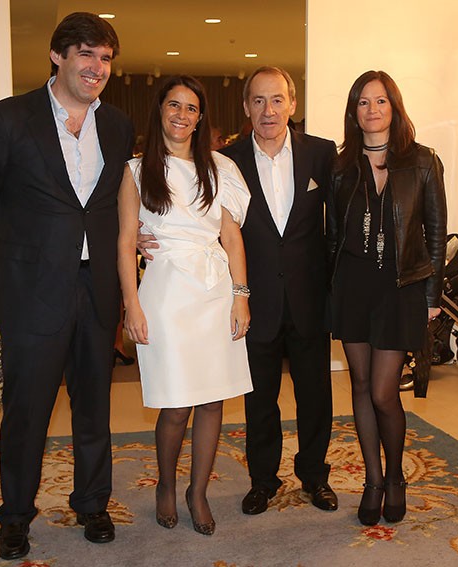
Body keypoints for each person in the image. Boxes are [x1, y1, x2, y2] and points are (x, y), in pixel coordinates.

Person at [0, 12, 133, 560]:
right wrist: (24, 245)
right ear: (57, 56)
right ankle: (15, 516)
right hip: (32, 290)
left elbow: (114, 202)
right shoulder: (8, 118)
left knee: (94, 407)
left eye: (105, 58)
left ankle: (92, 503)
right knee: (27, 411)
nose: (97, 67)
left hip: (96, 288)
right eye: (86, 54)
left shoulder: (118, 125)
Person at [141, 67, 339, 515]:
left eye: (277, 100)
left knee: (316, 396)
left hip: (309, 298)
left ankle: (315, 477)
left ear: (292, 104)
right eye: (258, 100)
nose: (268, 110)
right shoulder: (224, 162)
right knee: (259, 399)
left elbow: (340, 222)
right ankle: (263, 481)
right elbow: (198, 222)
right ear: (246, 106)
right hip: (251, 300)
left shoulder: (322, 154)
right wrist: (139, 231)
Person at [117, 75, 252, 536]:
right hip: (166, 294)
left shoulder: (221, 168)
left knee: (213, 400)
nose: (182, 114)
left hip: (215, 291)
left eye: (191, 108)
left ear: (200, 118)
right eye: (174, 105)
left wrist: (240, 297)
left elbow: (232, 237)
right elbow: (125, 241)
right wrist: (131, 306)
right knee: (175, 404)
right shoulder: (137, 171)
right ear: (160, 111)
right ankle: (166, 485)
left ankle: (198, 492)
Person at [326, 70, 447, 526]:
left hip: (400, 289)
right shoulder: (341, 166)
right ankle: (373, 481)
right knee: (360, 386)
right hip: (353, 287)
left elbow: (435, 231)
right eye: (363, 102)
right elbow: (332, 234)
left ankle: (396, 476)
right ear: (353, 112)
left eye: (380, 101)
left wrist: (432, 295)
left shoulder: (422, 161)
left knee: (382, 391)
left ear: (394, 107)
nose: (372, 109)